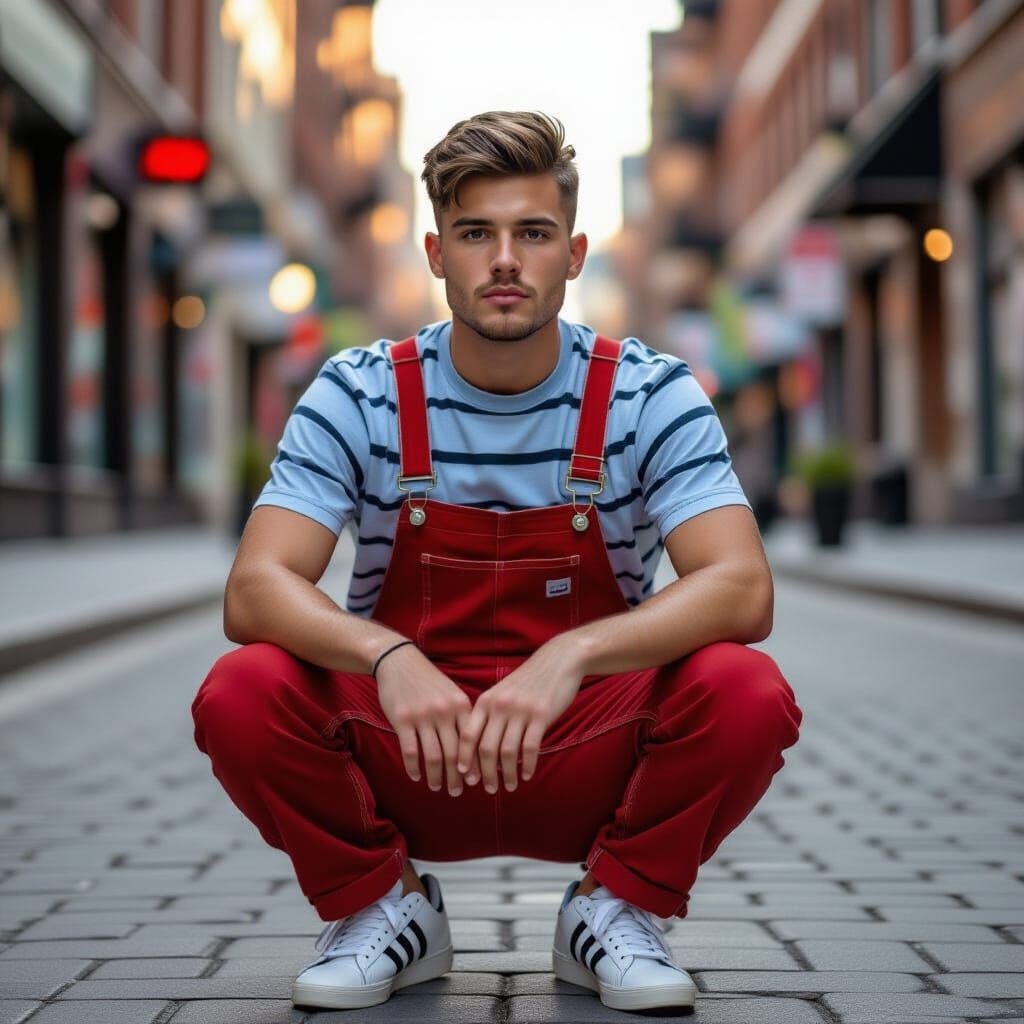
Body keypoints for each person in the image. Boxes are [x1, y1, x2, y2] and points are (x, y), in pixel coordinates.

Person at [191, 110, 803, 1014]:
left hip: (579, 746)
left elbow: (743, 587)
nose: (506, 260)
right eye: (477, 233)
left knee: (745, 689)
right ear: (438, 254)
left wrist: (574, 654)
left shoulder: (649, 392)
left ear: (575, 251)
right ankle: (382, 908)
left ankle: (614, 906)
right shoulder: (360, 392)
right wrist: (386, 656)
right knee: (241, 689)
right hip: (414, 747)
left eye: (533, 233)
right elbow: (255, 589)